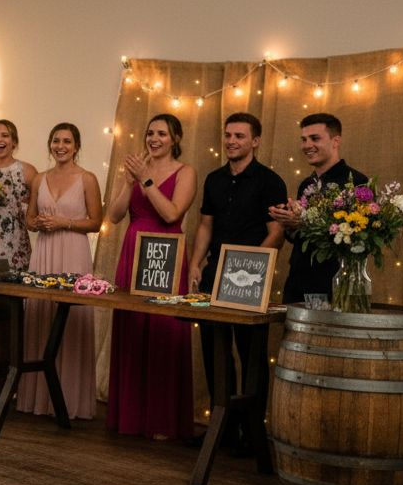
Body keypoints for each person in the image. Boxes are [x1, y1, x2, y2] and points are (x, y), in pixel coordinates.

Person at [189, 113, 286, 435]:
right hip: (213, 273)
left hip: (250, 279)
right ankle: (223, 430)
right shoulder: (214, 179)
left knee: (251, 355)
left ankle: (253, 434)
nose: (231, 141)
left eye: (239, 136)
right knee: (214, 350)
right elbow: (206, 225)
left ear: (255, 141)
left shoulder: (270, 181)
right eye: (228, 135)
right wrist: (195, 263)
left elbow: (277, 233)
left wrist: (248, 267)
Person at [106, 113, 197, 441]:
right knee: (132, 329)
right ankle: (130, 416)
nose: (154, 139)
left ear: (175, 139)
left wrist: (146, 180)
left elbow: (171, 214)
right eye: (150, 133)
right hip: (133, 252)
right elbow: (114, 216)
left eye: (161, 134)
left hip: (166, 254)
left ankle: (162, 420)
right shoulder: (136, 169)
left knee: (163, 332)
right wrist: (128, 182)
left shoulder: (186, 172)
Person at [17, 123, 101, 419]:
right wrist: (38, 222)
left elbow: (96, 222)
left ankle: (70, 399)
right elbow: (29, 220)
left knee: (72, 319)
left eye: (66, 141)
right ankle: (38, 399)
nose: (60, 146)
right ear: (50, 145)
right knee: (40, 315)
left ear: (76, 146)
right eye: (56, 141)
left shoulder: (87, 179)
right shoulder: (40, 178)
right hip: (44, 253)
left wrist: (64, 222)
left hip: (74, 254)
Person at [268, 112, 369, 305]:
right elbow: (299, 236)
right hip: (298, 281)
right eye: (304, 139)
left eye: (315, 138)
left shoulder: (356, 182)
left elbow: (360, 238)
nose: (307, 145)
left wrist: (305, 222)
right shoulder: (306, 184)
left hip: (334, 283)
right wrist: (288, 223)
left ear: (335, 141)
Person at [0, 119, 37, 270]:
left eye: (5, 135)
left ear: (14, 142)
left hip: (15, 245)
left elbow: (37, 208)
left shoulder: (27, 171)